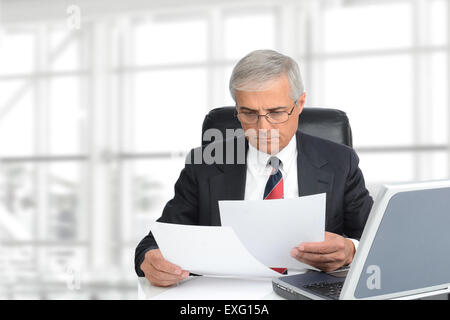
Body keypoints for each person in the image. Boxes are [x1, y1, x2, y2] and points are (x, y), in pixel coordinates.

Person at [135, 49, 373, 287]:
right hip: (229, 295)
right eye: (249, 113)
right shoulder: (205, 164)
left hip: (309, 290)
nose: (262, 127)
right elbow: (153, 244)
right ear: (237, 110)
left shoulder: (340, 161)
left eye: (276, 112)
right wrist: (150, 260)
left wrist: (351, 250)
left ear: (299, 103)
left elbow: (376, 240)